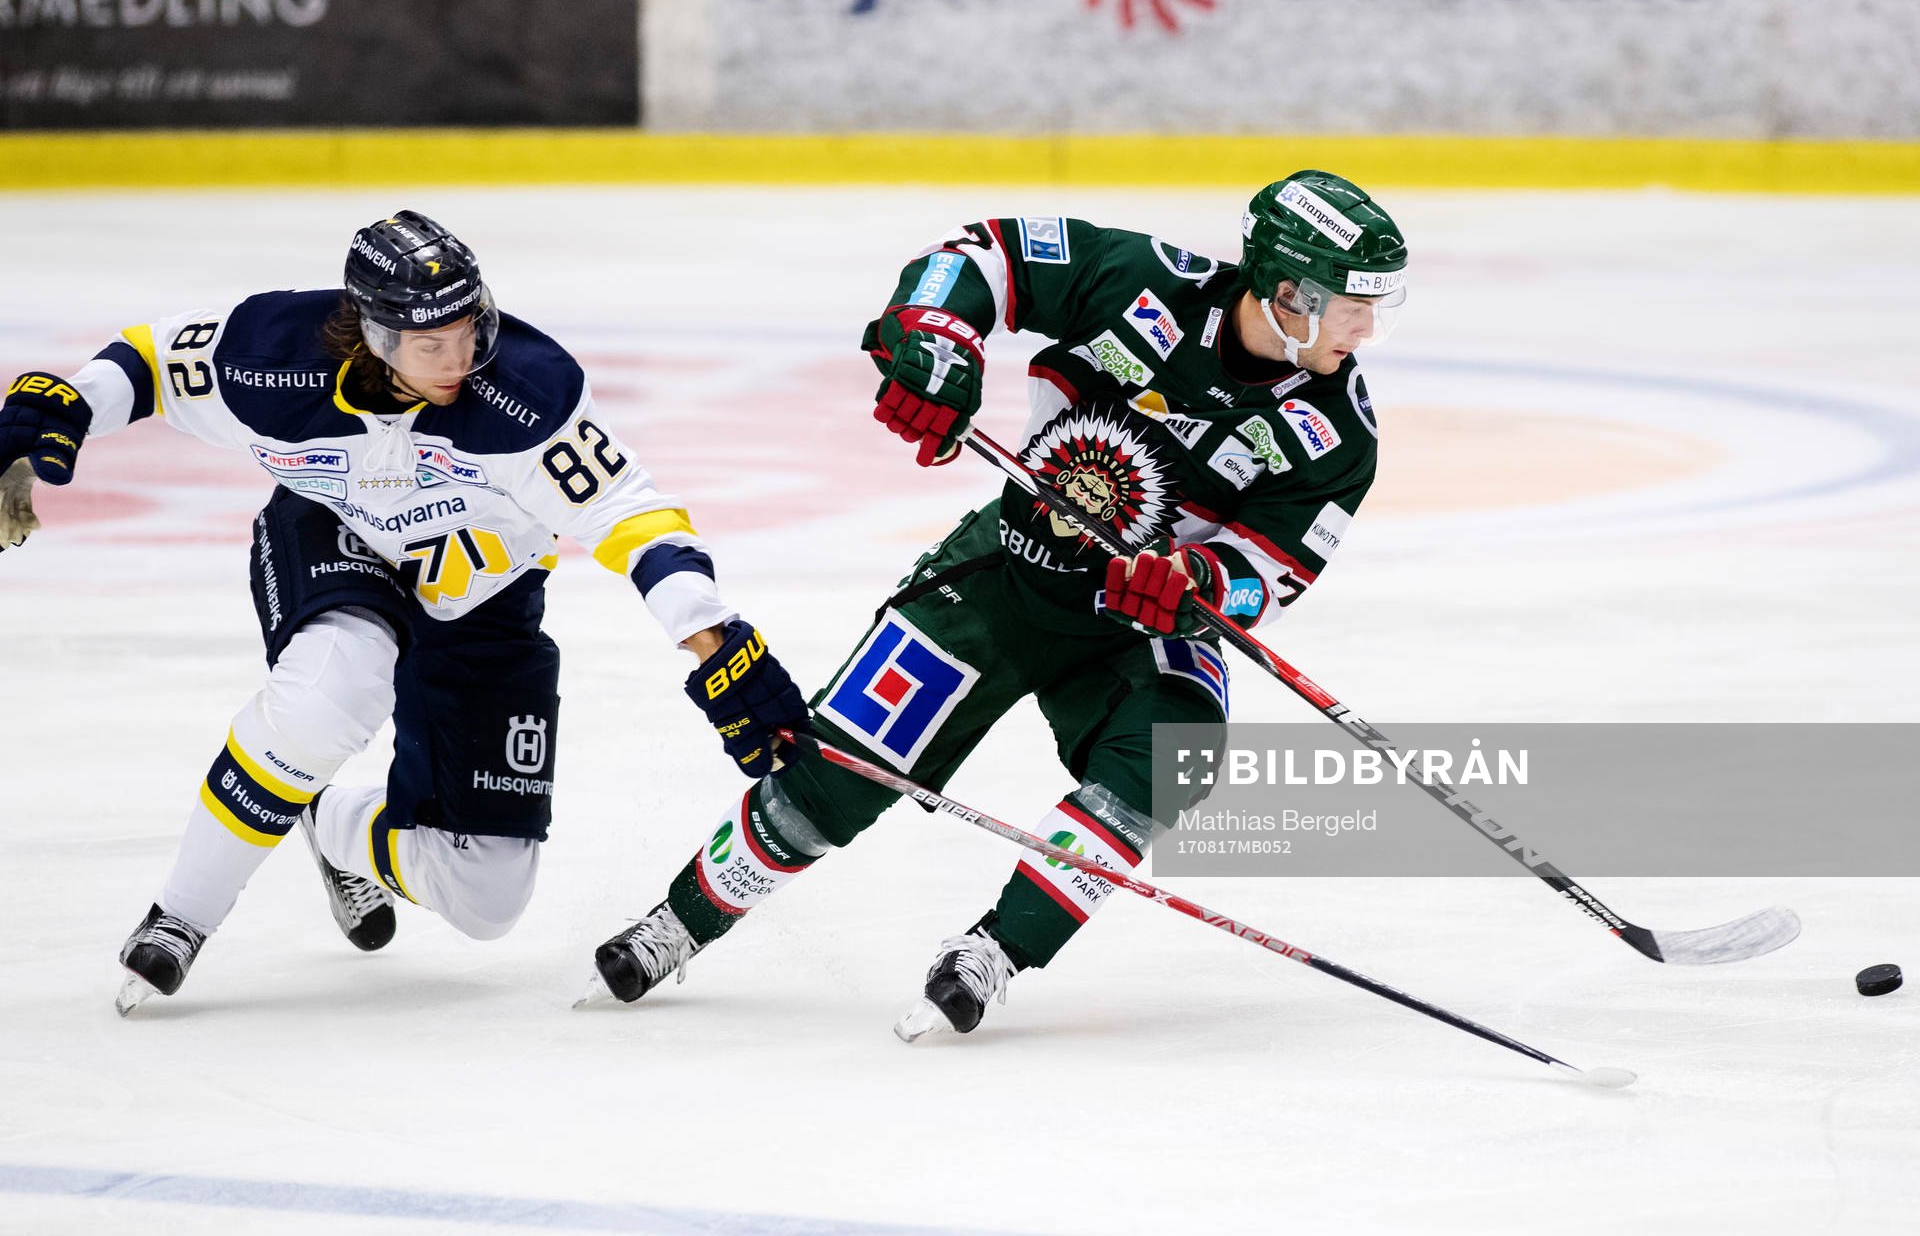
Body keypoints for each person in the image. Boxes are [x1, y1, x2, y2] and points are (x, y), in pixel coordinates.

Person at [588, 170, 1407, 1039]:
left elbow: (1277, 568)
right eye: (1358, 306)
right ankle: (678, 924)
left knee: (1173, 756)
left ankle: (994, 953)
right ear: (1290, 292)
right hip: (1005, 574)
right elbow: (984, 255)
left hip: (1136, 624)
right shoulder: (1145, 280)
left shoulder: (1340, 430)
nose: (1368, 331)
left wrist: (1201, 582)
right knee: (836, 776)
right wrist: (937, 340)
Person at [0, 211, 809, 1015]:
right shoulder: (272, 355)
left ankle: (328, 816)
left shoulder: (524, 396)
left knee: (485, 897)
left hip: (484, 597)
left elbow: (631, 514)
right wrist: (64, 407)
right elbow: (147, 362)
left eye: (470, 327)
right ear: (375, 337)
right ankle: (181, 915)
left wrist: (713, 642)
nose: (462, 356)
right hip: (333, 538)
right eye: (433, 344)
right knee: (332, 691)